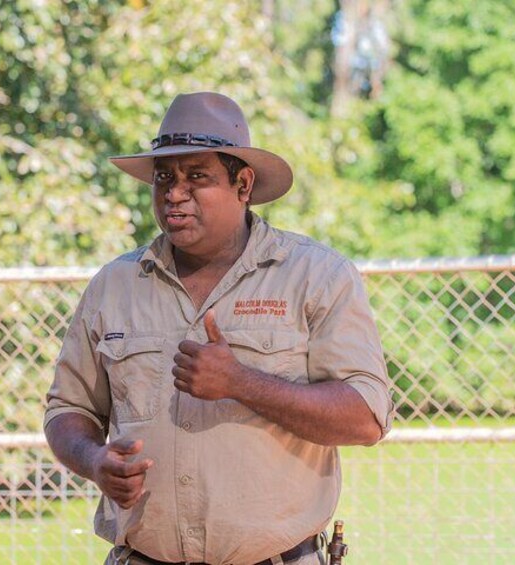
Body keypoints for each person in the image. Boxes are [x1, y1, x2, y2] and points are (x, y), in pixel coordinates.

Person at [44, 92, 392, 565]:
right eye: (163, 177)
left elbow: (366, 418)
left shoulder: (315, 276)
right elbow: (68, 408)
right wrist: (94, 461)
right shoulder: (114, 286)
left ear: (243, 184)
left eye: (197, 176)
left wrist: (241, 382)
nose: (173, 193)